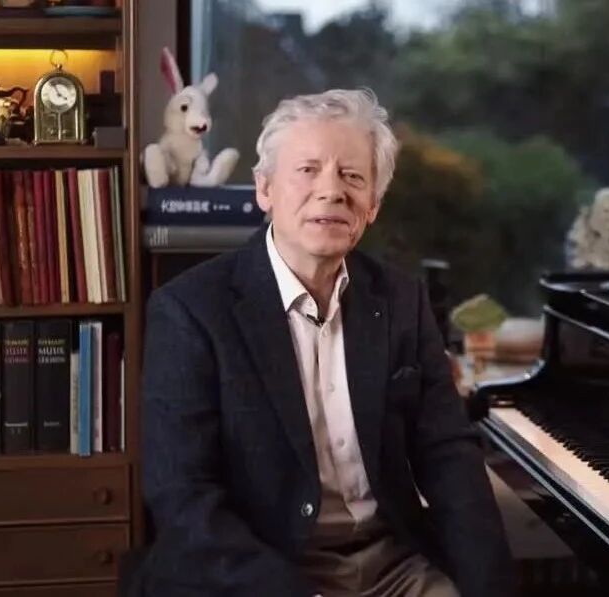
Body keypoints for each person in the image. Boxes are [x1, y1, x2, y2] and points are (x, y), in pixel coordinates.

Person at [136, 89, 513, 596]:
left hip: (391, 562)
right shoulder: (189, 311)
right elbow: (183, 497)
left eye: (353, 176)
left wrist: (489, 588)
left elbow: (449, 454)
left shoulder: (402, 299)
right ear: (264, 188)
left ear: (373, 205)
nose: (332, 191)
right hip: (260, 570)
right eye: (308, 170)